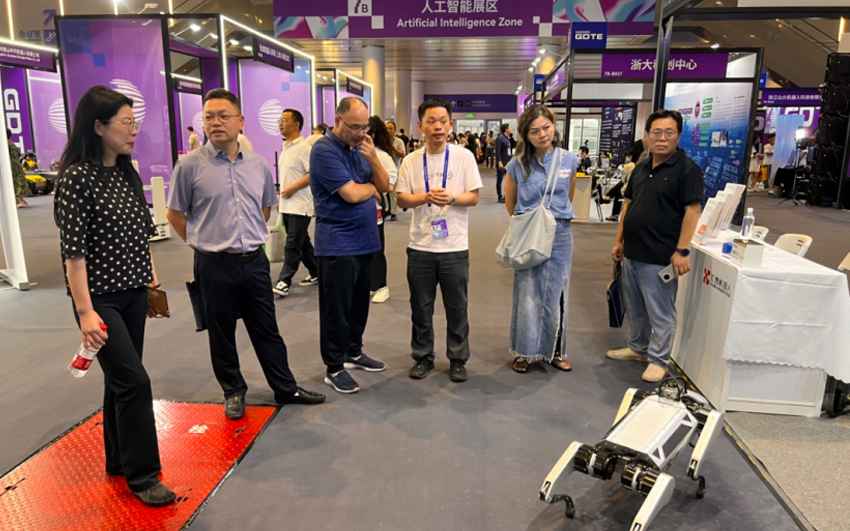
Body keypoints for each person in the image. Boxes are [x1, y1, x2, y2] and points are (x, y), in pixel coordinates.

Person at [166, 89, 325, 419]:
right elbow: (175, 213)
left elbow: (265, 208)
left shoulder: (258, 164)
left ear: (240, 121)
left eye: (223, 116)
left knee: (267, 328)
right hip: (213, 263)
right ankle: (234, 391)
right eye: (209, 117)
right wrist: (200, 243)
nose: (216, 122)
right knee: (221, 332)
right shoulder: (189, 165)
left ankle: (285, 387)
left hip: (254, 261)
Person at [53, 86, 175, 506]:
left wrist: (149, 278)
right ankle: (144, 476)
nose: (133, 130)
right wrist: (85, 313)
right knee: (135, 382)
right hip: (100, 300)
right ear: (98, 126)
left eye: (134, 122)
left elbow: (140, 232)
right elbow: (74, 254)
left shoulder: (126, 172)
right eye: (125, 123)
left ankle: (119, 460)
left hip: (133, 293)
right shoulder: (76, 179)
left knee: (121, 381)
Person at [608, 109, 703, 383]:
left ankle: (659, 359)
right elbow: (628, 205)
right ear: (647, 136)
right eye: (656, 132)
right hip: (632, 252)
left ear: (678, 136)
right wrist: (619, 240)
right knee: (636, 306)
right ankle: (638, 348)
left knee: (660, 310)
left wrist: (682, 250)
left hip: (660, 255)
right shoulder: (641, 168)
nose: (662, 138)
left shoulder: (687, 170)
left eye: (668, 133)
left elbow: (692, 211)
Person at [396, 98, 482, 382]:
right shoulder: (410, 160)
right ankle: (422, 356)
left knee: (457, 308)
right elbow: (401, 199)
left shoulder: (464, 157)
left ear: (450, 125)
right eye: (431, 121)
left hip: (455, 247)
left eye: (443, 121)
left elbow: (474, 197)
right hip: (420, 246)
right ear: (420, 126)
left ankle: (457, 359)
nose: (438, 127)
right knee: (420, 307)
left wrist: (452, 198)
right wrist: (425, 197)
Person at [310, 97, 391, 394]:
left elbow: (385, 186)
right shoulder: (324, 149)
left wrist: (373, 159)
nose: (360, 133)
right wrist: (370, 189)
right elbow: (352, 194)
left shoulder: (361, 148)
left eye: (365, 126)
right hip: (337, 244)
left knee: (359, 305)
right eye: (355, 127)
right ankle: (334, 366)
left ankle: (353, 352)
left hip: (365, 240)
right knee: (337, 310)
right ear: (337, 121)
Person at [504, 104, 577, 373]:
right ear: (526, 134)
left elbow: (568, 197)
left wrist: (550, 221)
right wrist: (533, 225)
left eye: (546, 127)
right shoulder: (516, 165)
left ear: (554, 127)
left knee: (558, 294)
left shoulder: (569, 160)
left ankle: (555, 352)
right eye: (534, 131)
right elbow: (510, 204)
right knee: (527, 293)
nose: (542, 134)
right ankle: (523, 352)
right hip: (529, 235)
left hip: (561, 235)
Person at [272, 108, 319, 297]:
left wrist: (293, 188)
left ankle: (284, 280)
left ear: (296, 124)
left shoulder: (305, 148)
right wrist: (280, 198)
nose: (280, 123)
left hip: (300, 205)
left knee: (292, 244)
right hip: (287, 205)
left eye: (284, 120)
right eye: (280, 120)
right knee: (302, 242)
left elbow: (313, 174)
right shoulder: (286, 147)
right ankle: (316, 271)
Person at [368, 116, 400, 303]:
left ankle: (381, 285)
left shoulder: (381, 155)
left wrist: (373, 187)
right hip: (352, 211)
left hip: (373, 209)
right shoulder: (351, 151)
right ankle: (368, 284)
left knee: (376, 249)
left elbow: (390, 182)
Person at [602, 143, 641, 222]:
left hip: (629, 190)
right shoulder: (641, 165)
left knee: (619, 191)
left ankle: (609, 199)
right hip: (637, 189)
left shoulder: (631, 165)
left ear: (631, 156)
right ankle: (608, 196)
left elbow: (623, 180)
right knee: (619, 190)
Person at [386, 120, 406, 221]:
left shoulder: (399, 141)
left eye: (390, 128)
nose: (388, 130)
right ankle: (387, 209)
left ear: (395, 130)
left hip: (394, 170)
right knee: (383, 192)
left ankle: (393, 212)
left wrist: (394, 149)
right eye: (386, 128)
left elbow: (403, 154)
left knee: (393, 192)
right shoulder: (383, 141)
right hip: (383, 170)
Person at [7, 129, 30, 207]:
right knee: (17, 181)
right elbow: (18, 154)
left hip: (12, 166)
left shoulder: (6, 144)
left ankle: (21, 200)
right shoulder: (12, 144)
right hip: (16, 165)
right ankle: (17, 199)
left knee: (16, 182)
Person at [495, 123, 512, 203]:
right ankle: (499, 196)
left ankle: (507, 196)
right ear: (506, 129)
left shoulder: (507, 138)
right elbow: (497, 151)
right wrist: (499, 161)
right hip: (502, 162)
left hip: (507, 161)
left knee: (509, 179)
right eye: (509, 127)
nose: (510, 128)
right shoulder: (500, 138)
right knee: (500, 179)